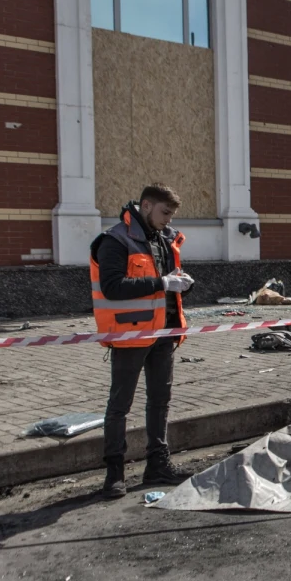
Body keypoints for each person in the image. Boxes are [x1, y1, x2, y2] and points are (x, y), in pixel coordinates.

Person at [91, 184, 196, 499]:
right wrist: (163, 282)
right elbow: (112, 286)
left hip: (163, 334)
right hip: (130, 334)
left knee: (160, 401)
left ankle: (157, 466)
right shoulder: (114, 240)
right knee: (120, 406)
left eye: (172, 215)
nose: (168, 220)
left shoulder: (163, 239)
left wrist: (181, 284)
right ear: (146, 205)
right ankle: (114, 474)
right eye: (165, 213)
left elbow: (165, 281)